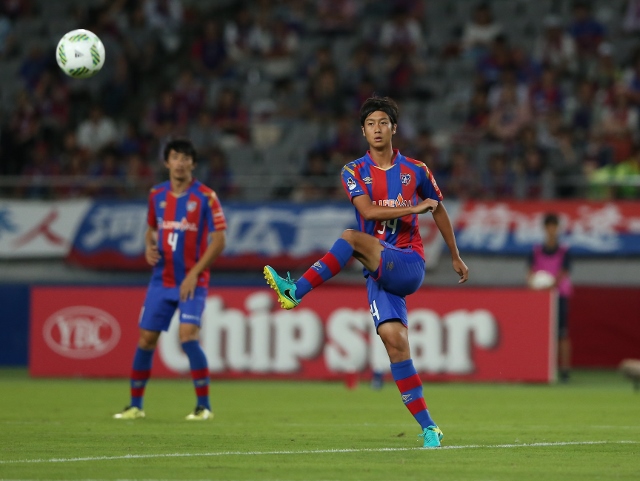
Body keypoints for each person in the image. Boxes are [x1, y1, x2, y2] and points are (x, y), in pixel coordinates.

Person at [263, 96, 469, 448]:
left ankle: (295, 291)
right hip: (378, 270)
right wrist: (413, 207)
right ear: (363, 131)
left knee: (349, 238)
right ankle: (430, 428)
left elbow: (438, 209)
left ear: (393, 128)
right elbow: (369, 212)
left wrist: (455, 255)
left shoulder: (416, 170)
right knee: (395, 343)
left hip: (407, 262)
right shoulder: (353, 171)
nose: (377, 129)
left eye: (383, 123)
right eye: (370, 124)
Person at [114, 138, 227, 420]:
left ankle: (204, 407)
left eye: (186, 158)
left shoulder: (206, 196)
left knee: (187, 336)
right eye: (175, 157)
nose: (180, 163)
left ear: (193, 164)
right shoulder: (157, 195)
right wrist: (148, 246)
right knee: (146, 340)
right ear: (167, 162)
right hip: (161, 281)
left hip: (193, 282)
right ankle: (135, 406)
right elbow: (151, 229)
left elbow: (219, 240)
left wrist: (194, 273)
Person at [527, 213, 572, 383]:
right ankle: (538, 368)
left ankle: (565, 370)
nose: (551, 230)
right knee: (538, 333)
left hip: (559, 296)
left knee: (562, 333)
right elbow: (530, 272)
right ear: (545, 228)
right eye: (549, 226)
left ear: (558, 228)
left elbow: (564, 272)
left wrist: (550, 286)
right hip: (540, 298)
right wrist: (533, 285)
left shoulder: (564, 251)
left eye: (554, 226)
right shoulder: (536, 251)